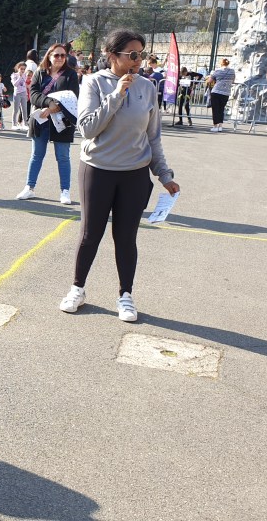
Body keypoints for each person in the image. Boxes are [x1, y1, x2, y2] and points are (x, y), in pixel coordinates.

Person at [59, 29, 179, 322]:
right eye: (133, 55)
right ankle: (77, 289)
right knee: (90, 234)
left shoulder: (148, 87)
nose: (139, 60)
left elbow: (153, 137)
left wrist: (164, 175)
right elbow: (87, 128)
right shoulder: (93, 82)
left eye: (142, 54)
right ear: (112, 55)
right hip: (98, 169)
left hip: (134, 174)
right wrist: (116, 94)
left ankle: (126, 295)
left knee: (126, 238)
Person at [17, 43, 81, 205]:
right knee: (36, 155)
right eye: (56, 55)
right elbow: (33, 94)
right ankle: (29, 187)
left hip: (62, 121)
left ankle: (65, 191)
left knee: (63, 157)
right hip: (41, 119)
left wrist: (53, 108)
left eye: (63, 55)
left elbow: (72, 96)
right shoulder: (40, 72)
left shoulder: (71, 75)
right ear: (49, 56)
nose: (60, 58)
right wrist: (48, 103)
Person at [206, 58, 236, 132]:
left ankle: (215, 126)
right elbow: (233, 81)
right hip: (226, 93)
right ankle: (220, 126)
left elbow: (209, 81)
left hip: (216, 92)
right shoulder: (232, 71)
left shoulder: (217, 71)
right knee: (221, 109)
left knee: (215, 110)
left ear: (221, 63)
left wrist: (208, 78)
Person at [11, 62, 29, 130]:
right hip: (17, 94)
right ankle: (14, 124)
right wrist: (20, 77)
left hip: (23, 93)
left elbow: (24, 85)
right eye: (21, 69)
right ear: (18, 68)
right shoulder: (14, 75)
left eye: (24, 69)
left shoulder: (25, 75)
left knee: (24, 109)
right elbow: (15, 84)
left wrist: (26, 94)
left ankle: (25, 124)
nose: (23, 70)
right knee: (16, 110)